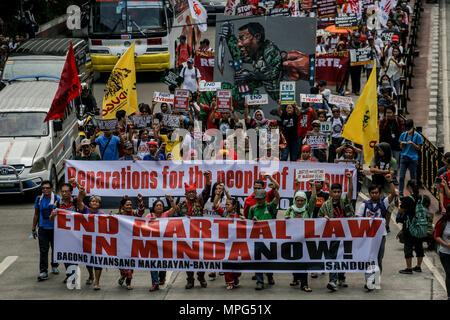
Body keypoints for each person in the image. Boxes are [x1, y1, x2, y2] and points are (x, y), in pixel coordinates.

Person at [357, 177, 396, 291]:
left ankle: (376, 279)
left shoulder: (383, 202)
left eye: (376, 193)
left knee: (378, 259)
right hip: (368, 237)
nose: (374, 195)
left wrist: (390, 181)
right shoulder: (364, 205)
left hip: (381, 236)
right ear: (369, 194)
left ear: (380, 193)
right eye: (372, 193)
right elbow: (358, 218)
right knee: (368, 258)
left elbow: (393, 194)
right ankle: (369, 280)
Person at [175, 171, 212, 289]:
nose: (191, 194)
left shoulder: (199, 201)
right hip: (186, 236)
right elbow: (175, 218)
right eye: (189, 192)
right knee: (188, 258)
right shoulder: (181, 205)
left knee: (201, 257)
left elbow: (207, 191)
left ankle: (201, 276)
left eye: (193, 192)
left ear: (196, 193)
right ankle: (190, 279)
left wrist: (207, 178)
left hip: (199, 235)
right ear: (185, 194)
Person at [318, 172, 354, 291]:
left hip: (345, 234)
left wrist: (350, 180)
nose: (337, 194)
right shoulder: (326, 205)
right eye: (335, 192)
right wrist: (324, 219)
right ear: (331, 192)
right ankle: (332, 281)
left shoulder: (345, 202)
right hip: (332, 236)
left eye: (339, 192)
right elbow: (319, 217)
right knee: (332, 257)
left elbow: (350, 192)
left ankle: (341, 278)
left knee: (342, 256)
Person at [285, 179, 316, 292]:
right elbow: (283, 222)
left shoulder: (308, 208)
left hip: (305, 240)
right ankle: (295, 278)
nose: (300, 203)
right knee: (294, 261)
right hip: (293, 239)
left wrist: (313, 186)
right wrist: (287, 219)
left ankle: (304, 284)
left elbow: (313, 199)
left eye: (302, 200)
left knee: (303, 262)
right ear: (295, 200)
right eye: (298, 200)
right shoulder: (290, 209)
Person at [75, 180, 107, 290]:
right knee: (88, 260)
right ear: (89, 203)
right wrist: (80, 190)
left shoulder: (102, 215)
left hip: (98, 241)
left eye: (97, 202)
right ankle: (91, 275)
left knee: (97, 261)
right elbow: (79, 201)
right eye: (93, 201)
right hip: (86, 239)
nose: (94, 203)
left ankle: (97, 282)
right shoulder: (85, 210)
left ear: (99, 204)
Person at [248, 187, 280, 290]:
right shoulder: (252, 209)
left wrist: (274, 188)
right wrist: (252, 220)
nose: (259, 201)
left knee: (269, 260)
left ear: (265, 198)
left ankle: (270, 276)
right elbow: (248, 225)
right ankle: (259, 281)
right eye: (257, 199)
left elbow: (278, 197)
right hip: (257, 239)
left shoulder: (270, 206)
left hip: (269, 238)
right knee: (258, 261)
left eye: (261, 199)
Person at [49, 182, 79, 284]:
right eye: (62, 191)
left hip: (75, 234)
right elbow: (51, 219)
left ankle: (72, 275)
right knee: (65, 255)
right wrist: (53, 214)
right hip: (62, 235)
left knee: (74, 256)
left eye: (66, 191)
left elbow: (82, 193)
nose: (64, 193)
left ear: (71, 192)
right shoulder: (57, 203)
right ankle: (70, 274)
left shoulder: (75, 202)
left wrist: (77, 184)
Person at [213, 196, 245, 289]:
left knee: (237, 263)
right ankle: (229, 282)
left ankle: (235, 277)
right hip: (226, 244)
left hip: (237, 244)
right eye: (225, 204)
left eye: (228, 204)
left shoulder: (240, 217)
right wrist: (217, 195)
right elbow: (215, 205)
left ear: (234, 206)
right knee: (227, 262)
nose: (226, 206)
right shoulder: (224, 214)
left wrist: (244, 221)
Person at [147, 195, 176, 291]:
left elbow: (175, 208)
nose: (159, 207)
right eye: (157, 205)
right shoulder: (149, 216)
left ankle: (162, 276)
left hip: (164, 244)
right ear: (154, 207)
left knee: (163, 263)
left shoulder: (166, 215)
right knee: (153, 263)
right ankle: (155, 283)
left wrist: (170, 199)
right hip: (153, 244)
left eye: (161, 205)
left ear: (163, 208)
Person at [32, 181, 60, 281]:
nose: (45, 190)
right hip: (43, 228)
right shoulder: (39, 199)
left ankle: (55, 265)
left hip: (55, 229)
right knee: (43, 250)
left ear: (52, 189)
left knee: (55, 249)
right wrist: (33, 228)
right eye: (43, 188)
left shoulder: (57, 199)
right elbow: (36, 214)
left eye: (47, 188)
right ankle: (43, 271)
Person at [396, 180, 426, 275]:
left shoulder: (408, 199)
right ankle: (418, 266)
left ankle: (409, 268)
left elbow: (400, 210)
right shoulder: (421, 198)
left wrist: (399, 202)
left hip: (409, 226)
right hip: (420, 225)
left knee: (408, 246)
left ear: (409, 187)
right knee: (419, 246)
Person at [117, 194, 145, 290]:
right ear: (123, 206)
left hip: (132, 243)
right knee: (122, 264)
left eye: (130, 205)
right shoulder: (118, 215)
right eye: (127, 205)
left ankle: (128, 282)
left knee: (130, 264)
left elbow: (141, 211)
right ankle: (123, 276)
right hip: (121, 243)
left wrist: (140, 201)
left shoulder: (134, 214)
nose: (129, 206)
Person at [379, 104, 404, 182]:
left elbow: (402, 133)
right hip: (386, 147)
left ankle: (394, 177)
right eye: (387, 113)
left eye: (390, 113)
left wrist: (401, 144)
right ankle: (385, 177)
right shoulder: (383, 121)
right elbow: (380, 133)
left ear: (394, 113)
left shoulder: (399, 121)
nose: (388, 115)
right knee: (386, 161)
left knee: (395, 162)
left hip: (396, 146)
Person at [398, 120, 423, 197]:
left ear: (412, 127)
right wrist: (403, 144)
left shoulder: (418, 136)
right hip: (404, 157)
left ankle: (414, 193)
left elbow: (419, 148)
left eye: (409, 128)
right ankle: (400, 193)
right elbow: (400, 147)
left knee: (413, 178)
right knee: (401, 176)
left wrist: (412, 143)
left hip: (413, 159)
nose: (407, 129)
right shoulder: (403, 135)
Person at [433, 204, 450, 300]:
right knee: (449, 273)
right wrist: (446, 244)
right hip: (445, 253)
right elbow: (436, 236)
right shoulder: (442, 223)